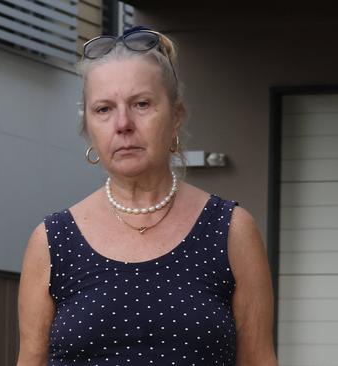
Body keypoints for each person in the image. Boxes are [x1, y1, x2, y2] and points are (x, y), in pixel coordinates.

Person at [16, 26, 278, 366]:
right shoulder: (52, 241)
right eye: (104, 109)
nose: (122, 124)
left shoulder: (231, 231)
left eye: (141, 104)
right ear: (89, 129)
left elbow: (259, 359)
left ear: (176, 116)